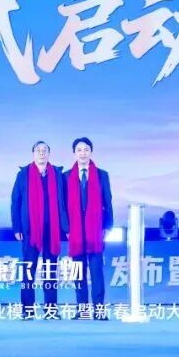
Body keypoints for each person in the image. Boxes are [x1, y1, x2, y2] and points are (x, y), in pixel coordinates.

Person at [10, 140, 68, 318]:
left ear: (49, 153)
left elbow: (64, 202)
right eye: (38, 150)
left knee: (50, 270)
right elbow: (15, 202)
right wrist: (17, 227)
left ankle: (51, 310)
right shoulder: (24, 174)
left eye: (44, 150)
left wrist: (66, 227)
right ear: (33, 153)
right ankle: (27, 310)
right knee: (29, 269)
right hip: (30, 230)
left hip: (52, 230)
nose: (41, 153)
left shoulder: (57, 174)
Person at [65, 137, 113, 319]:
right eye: (79, 150)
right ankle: (82, 310)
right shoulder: (66, 176)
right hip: (75, 231)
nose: (83, 153)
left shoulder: (102, 175)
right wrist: (66, 228)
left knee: (96, 273)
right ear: (74, 154)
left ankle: (99, 310)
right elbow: (62, 206)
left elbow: (108, 202)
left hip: (95, 230)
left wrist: (107, 226)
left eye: (86, 149)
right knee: (78, 273)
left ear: (91, 152)